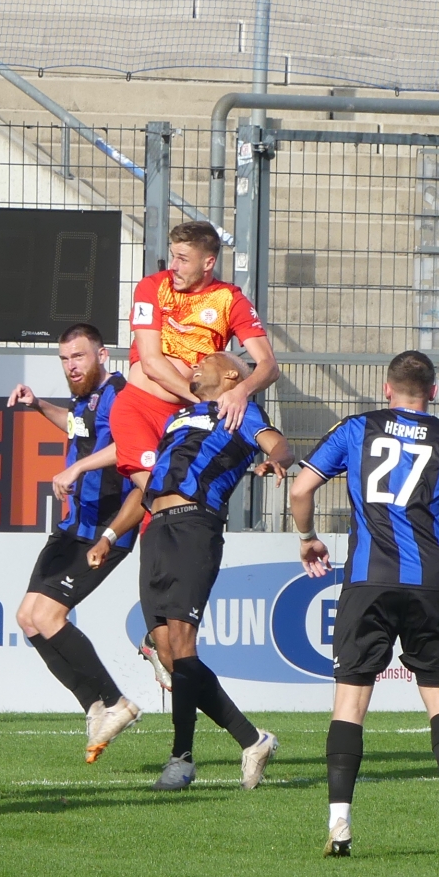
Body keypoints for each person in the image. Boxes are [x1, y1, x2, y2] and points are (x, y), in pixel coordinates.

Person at [288, 350, 439, 861]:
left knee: (350, 702)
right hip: (431, 584)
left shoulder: (355, 429)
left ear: (387, 389)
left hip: (368, 582)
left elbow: (300, 489)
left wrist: (307, 536)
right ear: (434, 392)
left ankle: (340, 822)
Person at [88, 351, 293, 792]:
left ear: (232, 374)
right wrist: (109, 535)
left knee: (182, 644)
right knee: (167, 651)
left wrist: (278, 458)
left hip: (195, 525)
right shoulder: (178, 418)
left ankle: (181, 759)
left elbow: (277, 442)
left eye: (209, 360)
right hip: (156, 530)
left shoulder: (240, 411)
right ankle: (252, 740)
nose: (197, 364)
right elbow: (149, 488)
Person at [109, 221, 278, 688]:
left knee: (169, 510)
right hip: (142, 408)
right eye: (172, 255)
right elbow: (151, 362)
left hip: (182, 420)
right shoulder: (153, 287)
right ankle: (157, 624)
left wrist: (239, 391)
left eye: (183, 258)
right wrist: (203, 400)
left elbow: (268, 364)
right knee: (155, 494)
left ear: (209, 262)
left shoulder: (229, 300)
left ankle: (162, 633)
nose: (174, 266)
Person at [6, 323, 142, 761]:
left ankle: (117, 702)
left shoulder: (120, 393)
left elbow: (130, 447)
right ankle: (95, 705)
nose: (71, 366)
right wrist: (37, 404)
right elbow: (74, 424)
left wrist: (77, 468)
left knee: (48, 615)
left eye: (78, 356)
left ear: (102, 355)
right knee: (28, 618)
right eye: (65, 359)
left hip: (105, 527)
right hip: (73, 525)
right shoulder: (84, 398)